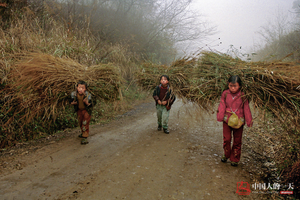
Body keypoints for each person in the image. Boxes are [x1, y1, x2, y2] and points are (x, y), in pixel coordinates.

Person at [217, 75, 253, 166]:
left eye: (235, 86)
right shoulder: (225, 94)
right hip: (227, 120)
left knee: (237, 141)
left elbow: (246, 107)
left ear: (239, 86)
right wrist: (220, 116)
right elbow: (222, 105)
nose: (233, 88)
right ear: (228, 85)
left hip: (239, 122)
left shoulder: (243, 95)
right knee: (227, 139)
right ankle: (226, 154)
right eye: (231, 86)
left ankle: (235, 159)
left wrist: (249, 120)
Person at [69, 80, 94, 145]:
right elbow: (70, 101)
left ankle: (85, 137)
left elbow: (91, 104)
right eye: (79, 87)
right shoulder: (74, 94)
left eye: (83, 88)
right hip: (79, 110)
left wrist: (87, 102)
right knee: (80, 122)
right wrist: (73, 103)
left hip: (86, 111)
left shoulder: (88, 95)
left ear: (85, 89)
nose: (81, 89)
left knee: (85, 123)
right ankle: (83, 132)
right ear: (77, 88)